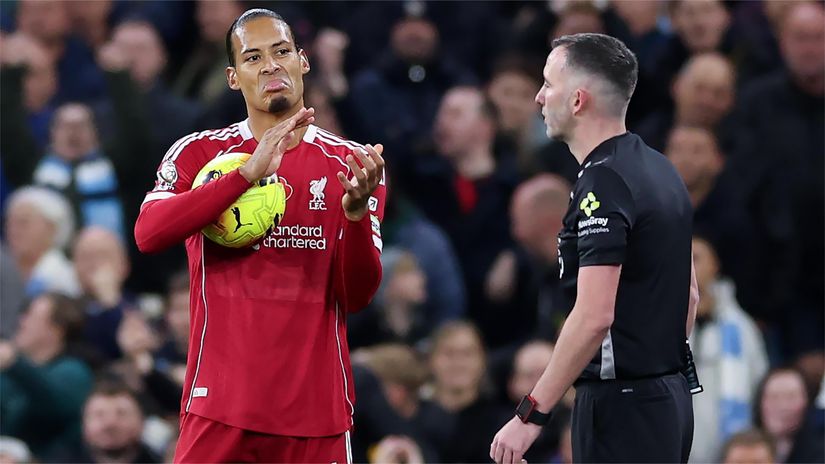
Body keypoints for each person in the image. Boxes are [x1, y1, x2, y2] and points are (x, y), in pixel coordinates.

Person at [133, 8, 386, 463]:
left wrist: (353, 216)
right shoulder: (201, 153)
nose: (270, 65)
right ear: (233, 78)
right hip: (220, 407)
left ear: (303, 62)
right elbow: (149, 234)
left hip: (316, 416)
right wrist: (244, 175)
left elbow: (358, 295)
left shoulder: (353, 166)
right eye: (253, 57)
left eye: (282, 51)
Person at [490, 33, 698, 463]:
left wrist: (530, 415)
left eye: (548, 84)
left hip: (621, 407)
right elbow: (689, 294)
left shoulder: (603, 183)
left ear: (578, 100)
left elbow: (594, 316)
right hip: (668, 399)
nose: (539, 97)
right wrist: (656, 367)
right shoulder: (660, 168)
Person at [0, 293, 93, 461]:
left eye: (31, 316)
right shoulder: (7, 374)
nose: (22, 321)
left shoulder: (74, 371)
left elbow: (54, 401)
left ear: (57, 329)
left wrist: (15, 363)